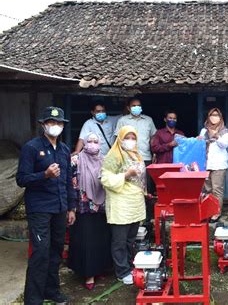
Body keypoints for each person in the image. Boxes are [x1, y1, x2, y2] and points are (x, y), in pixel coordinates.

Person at [16, 106, 76, 305]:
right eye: (51, 122)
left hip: (59, 207)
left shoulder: (65, 149)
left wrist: (71, 207)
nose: (55, 126)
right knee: (40, 252)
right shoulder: (32, 148)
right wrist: (45, 175)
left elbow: (68, 180)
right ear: (43, 124)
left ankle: (52, 290)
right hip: (40, 208)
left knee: (56, 250)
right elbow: (22, 179)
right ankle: (33, 298)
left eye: (58, 123)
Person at [101, 126, 146, 285]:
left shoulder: (136, 154)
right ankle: (122, 271)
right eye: (127, 137)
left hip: (135, 203)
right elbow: (105, 179)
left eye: (133, 138)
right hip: (120, 203)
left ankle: (129, 265)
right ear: (120, 138)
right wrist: (126, 175)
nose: (130, 141)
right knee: (119, 240)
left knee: (130, 239)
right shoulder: (113, 155)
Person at [68, 133, 113, 290]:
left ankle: (99, 269)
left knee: (102, 239)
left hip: (101, 207)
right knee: (86, 240)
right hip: (83, 208)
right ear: (84, 143)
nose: (93, 144)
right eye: (90, 141)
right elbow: (71, 184)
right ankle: (88, 274)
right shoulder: (76, 160)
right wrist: (71, 208)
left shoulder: (105, 160)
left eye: (96, 141)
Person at [114, 97, 156, 196]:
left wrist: (154, 152)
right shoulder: (122, 121)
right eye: (134, 106)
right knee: (131, 186)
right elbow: (118, 140)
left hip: (145, 157)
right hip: (128, 159)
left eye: (138, 106)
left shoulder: (148, 120)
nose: (136, 107)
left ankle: (147, 210)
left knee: (147, 188)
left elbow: (153, 138)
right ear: (128, 108)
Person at [198, 108, 228, 222]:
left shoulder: (224, 131)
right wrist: (199, 140)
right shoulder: (203, 130)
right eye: (212, 115)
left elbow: (224, 145)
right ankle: (208, 211)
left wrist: (216, 136)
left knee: (217, 189)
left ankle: (216, 212)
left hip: (219, 164)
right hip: (206, 163)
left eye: (216, 115)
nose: (214, 117)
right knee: (207, 189)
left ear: (220, 117)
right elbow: (200, 144)